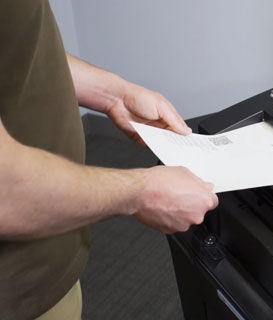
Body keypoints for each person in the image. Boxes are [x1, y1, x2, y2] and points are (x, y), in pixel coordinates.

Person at [0, 1, 218, 319]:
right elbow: (6, 192)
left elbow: (18, 48)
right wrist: (139, 193)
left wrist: (113, 94)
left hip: (48, 255)